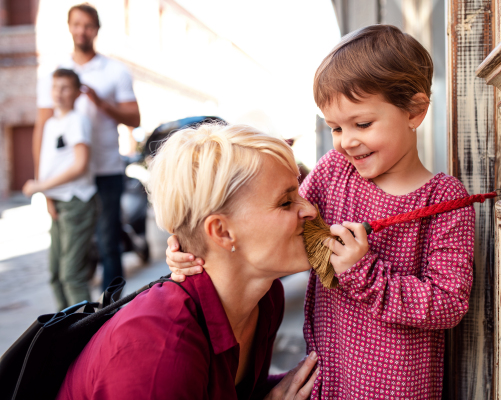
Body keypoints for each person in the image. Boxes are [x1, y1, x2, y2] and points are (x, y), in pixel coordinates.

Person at [167, 25, 475, 399]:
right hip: (326, 378)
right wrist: (195, 249)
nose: (347, 141)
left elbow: (448, 304)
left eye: (362, 124)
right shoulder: (334, 172)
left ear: (415, 110)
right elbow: (276, 227)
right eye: (335, 128)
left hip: (397, 388)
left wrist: (365, 273)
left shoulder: (444, 199)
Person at [57, 123, 319, 399]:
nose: (311, 209)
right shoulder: (158, 351)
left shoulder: (266, 298)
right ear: (222, 232)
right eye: (286, 202)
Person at [33, 3, 141, 291]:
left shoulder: (114, 71)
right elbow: (42, 128)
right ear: (70, 27)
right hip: (70, 178)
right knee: (70, 253)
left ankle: (111, 311)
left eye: (88, 25)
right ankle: (76, 319)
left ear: (96, 30)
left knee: (108, 243)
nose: (82, 30)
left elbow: (134, 118)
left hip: (105, 169)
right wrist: (43, 185)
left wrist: (102, 103)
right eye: (77, 24)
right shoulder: (54, 75)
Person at [23, 68, 97, 311]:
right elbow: (50, 164)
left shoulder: (77, 120)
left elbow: (80, 164)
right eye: (55, 87)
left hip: (76, 202)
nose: (59, 93)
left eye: (65, 88)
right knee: (55, 275)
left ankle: (85, 333)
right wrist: (47, 196)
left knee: (72, 275)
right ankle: (65, 332)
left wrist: (40, 186)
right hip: (58, 201)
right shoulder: (52, 123)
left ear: (76, 93)